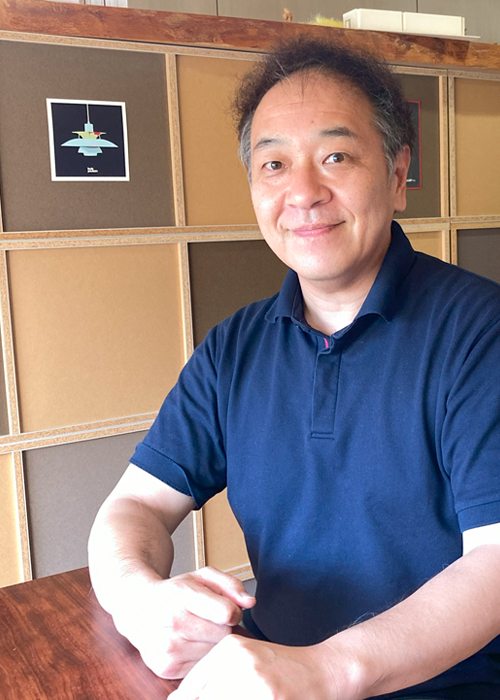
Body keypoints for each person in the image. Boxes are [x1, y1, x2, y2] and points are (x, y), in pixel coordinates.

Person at [88, 37, 500, 700]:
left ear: (397, 174)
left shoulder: (480, 330)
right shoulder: (234, 347)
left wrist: (323, 672)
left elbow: (496, 557)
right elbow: (136, 503)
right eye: (274, 164)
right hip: (267, 676)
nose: (302, 192)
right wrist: (138, 600)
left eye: (335, 156)